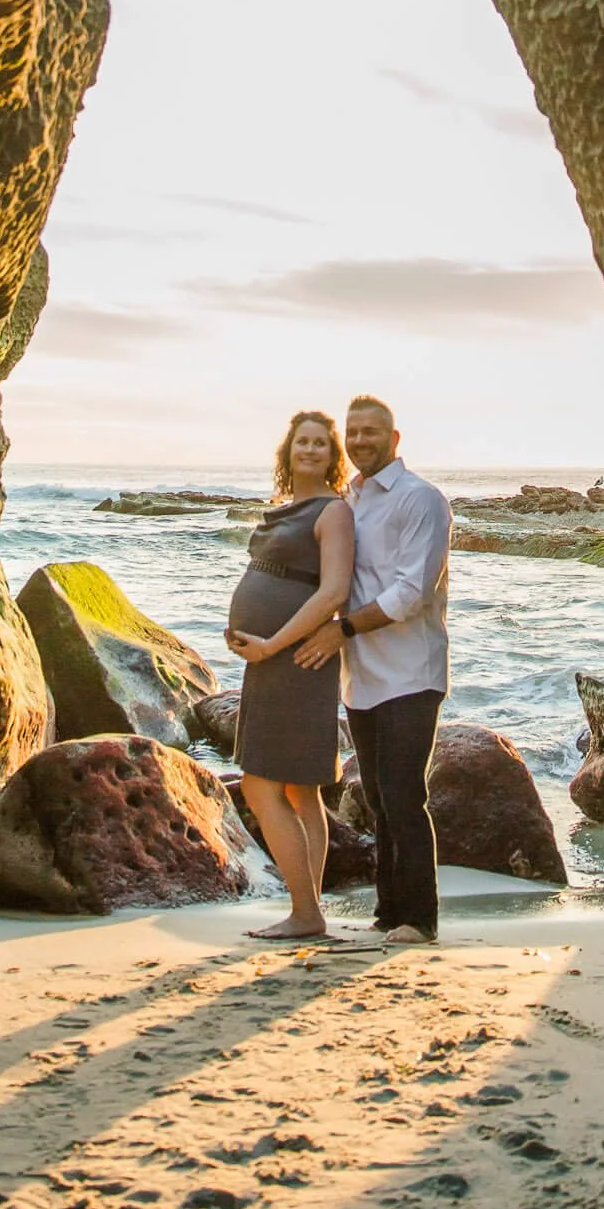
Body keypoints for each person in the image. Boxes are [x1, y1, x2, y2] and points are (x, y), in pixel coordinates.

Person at [296, 394, 450, 946]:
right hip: (360, 676)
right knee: (380, 797)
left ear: (395, 439)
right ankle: (389, 912)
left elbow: (411, 593)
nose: (361, 441)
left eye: (372, 432)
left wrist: (341, 630)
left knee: (405, 794)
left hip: (412, 672)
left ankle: (420, 919)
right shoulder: (350, 502)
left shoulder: (421, 500)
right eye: (353, 432)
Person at [224, 409, 355, 941]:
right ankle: (308, 909)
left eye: (320, 444)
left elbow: (333, 592)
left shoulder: (334, 512)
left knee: (260, 785)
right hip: (272, 658)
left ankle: (305, 911)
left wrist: (273, 644)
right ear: (288, 450)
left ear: (332, 455)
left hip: (297, 659)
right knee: (301, 792)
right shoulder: (289, 508)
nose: (309, 450)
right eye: (301, 442)